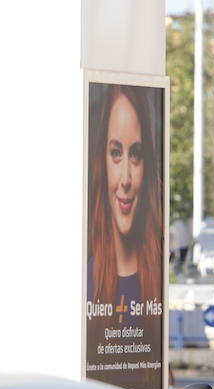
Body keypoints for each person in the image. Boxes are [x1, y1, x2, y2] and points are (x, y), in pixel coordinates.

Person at [87, 84, 164, 310]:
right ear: (102, 162)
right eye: (116, 153)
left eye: (136, 155)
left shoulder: (155, 286)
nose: (126, 179)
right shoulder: (84, 284)